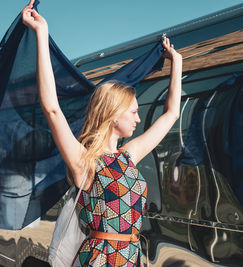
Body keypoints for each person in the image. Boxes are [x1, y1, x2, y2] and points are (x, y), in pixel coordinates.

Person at [21, 0, 182, 266]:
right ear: (112, 114)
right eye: (132, 112)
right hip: (100, 260)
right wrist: (42, 34)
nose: (138, 118)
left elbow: (171, 114)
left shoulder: (127, 156)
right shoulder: (85, 162)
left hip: (132, 257)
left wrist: (177, 62)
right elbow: (52, 109)